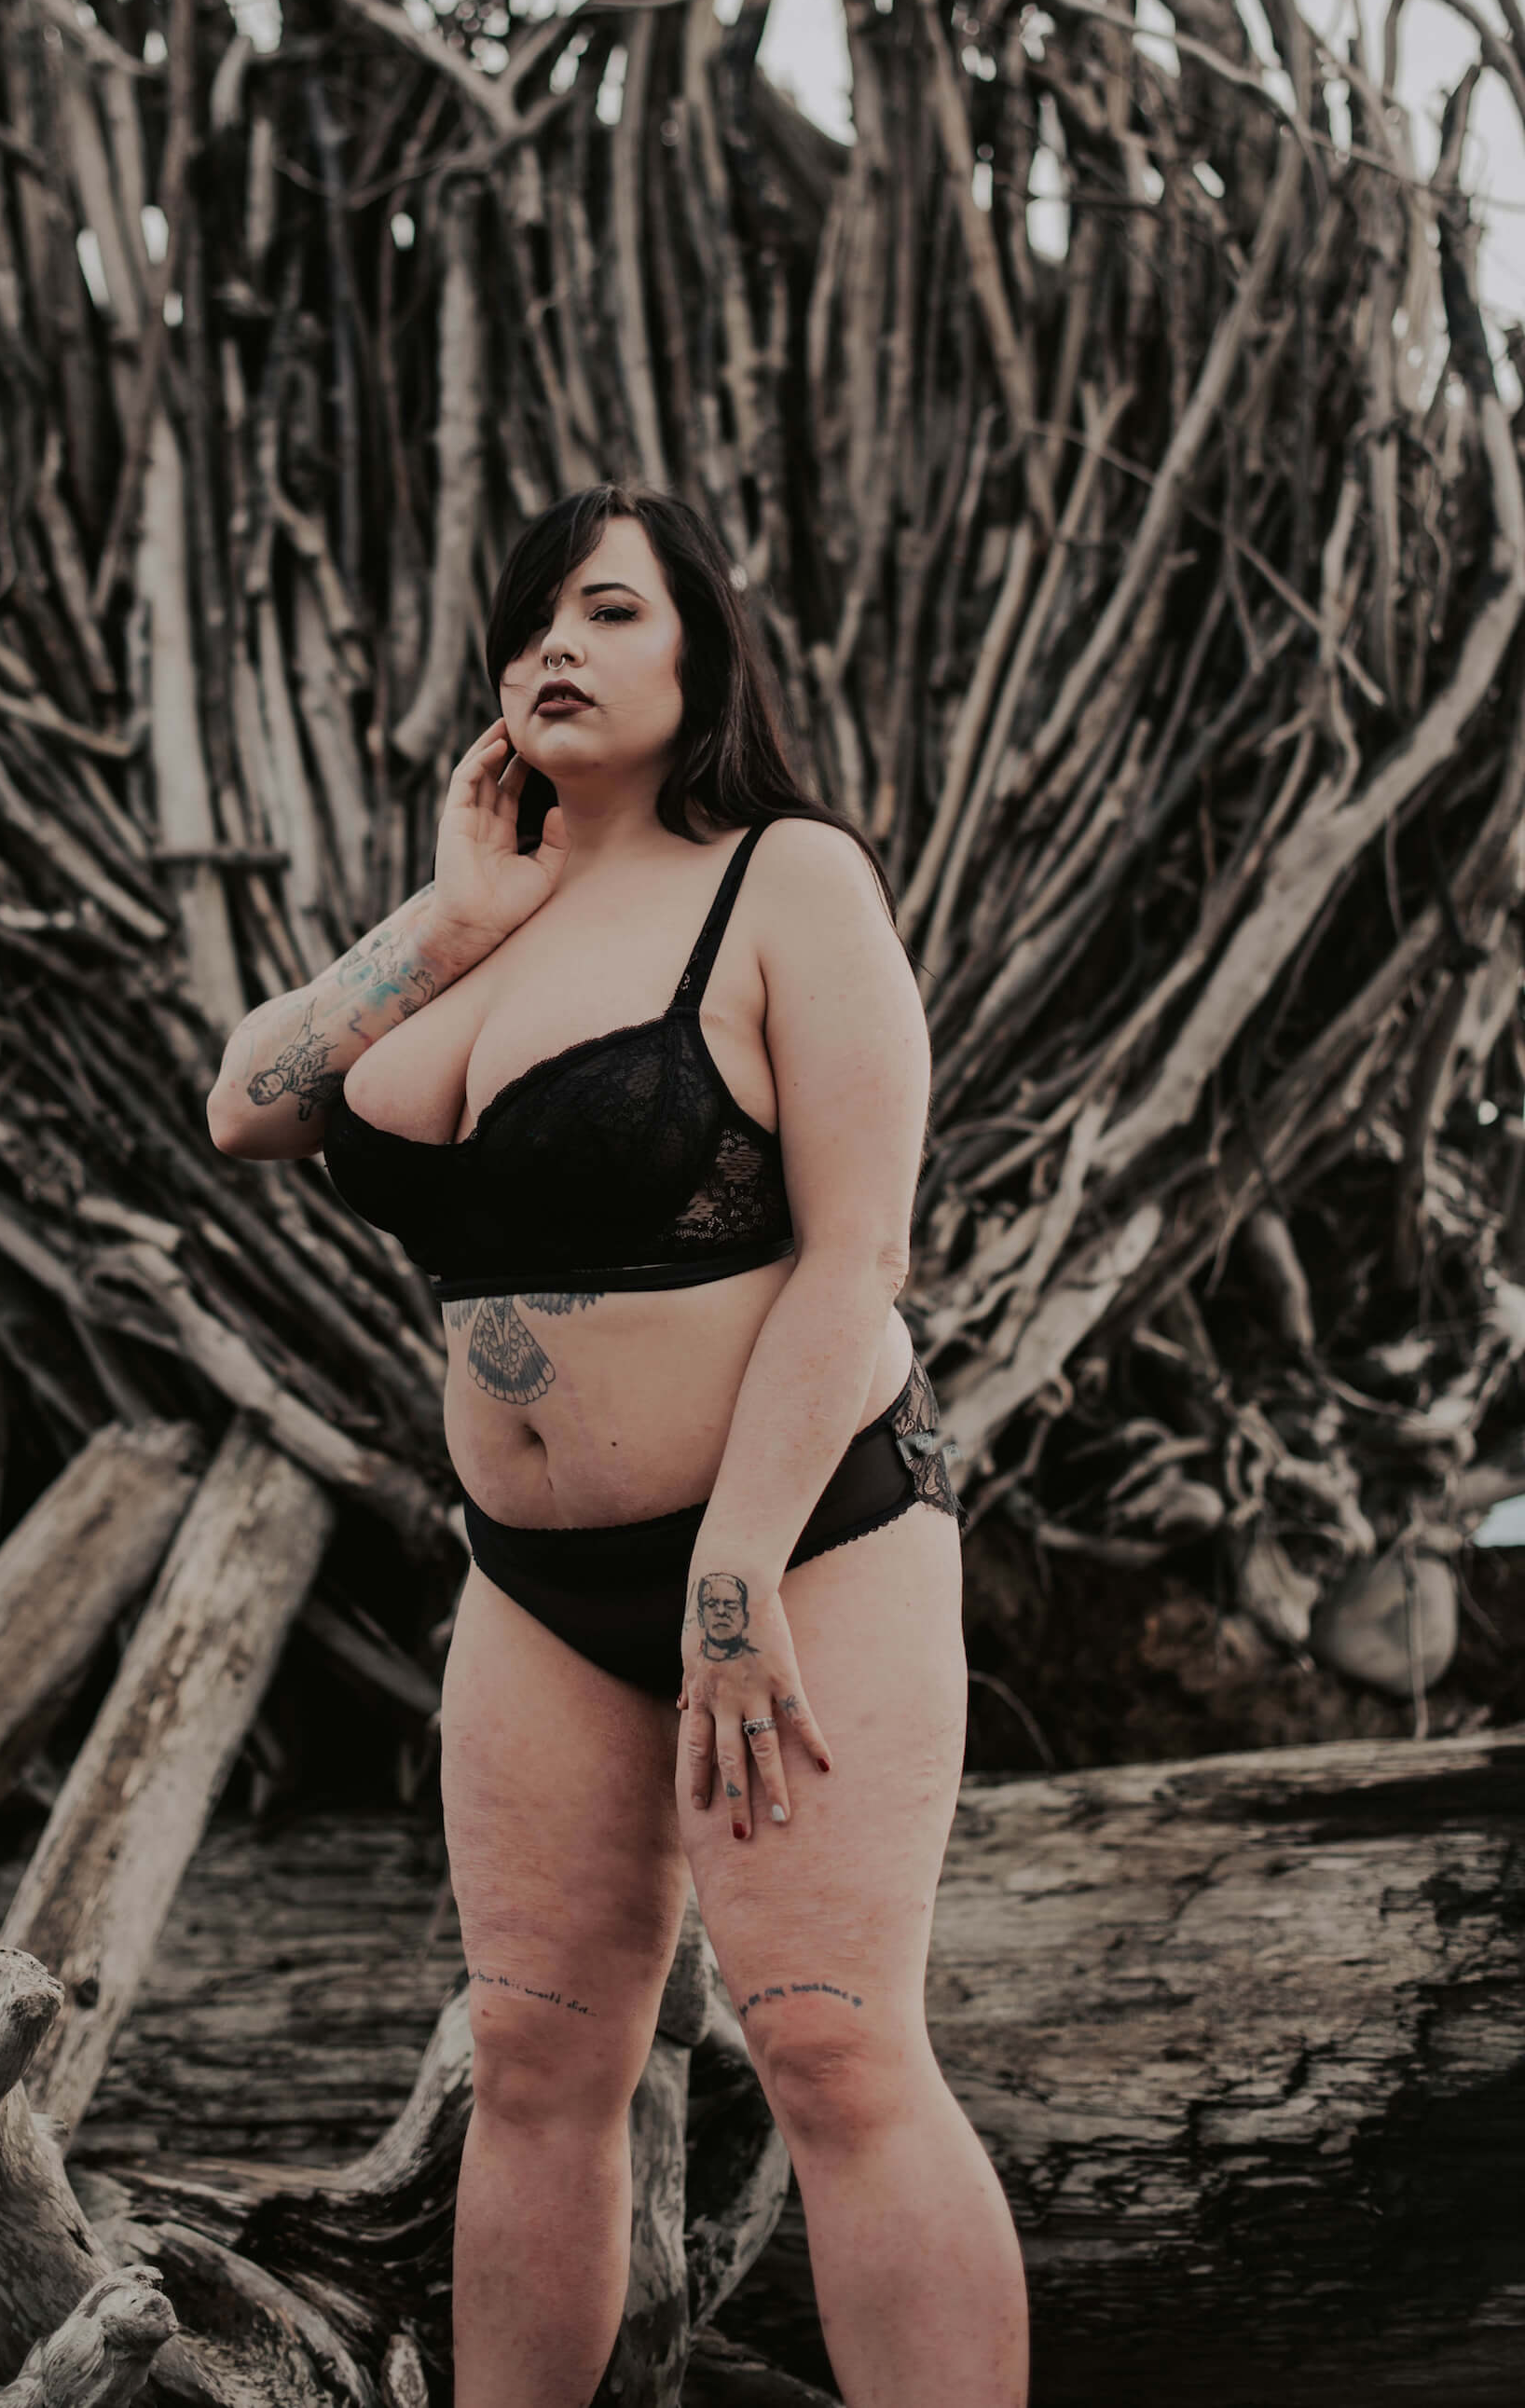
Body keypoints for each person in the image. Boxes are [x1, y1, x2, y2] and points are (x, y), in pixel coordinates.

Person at [209, 485, 1028, 2407]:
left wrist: (737, 1569)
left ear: (698, 655)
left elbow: (860, 1256)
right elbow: (248, 1102)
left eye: (603, 611)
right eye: (527, 626)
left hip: (798, 1538)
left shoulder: (786, 881)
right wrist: (455, 913)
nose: (551, 650)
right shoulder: (479, 919)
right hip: (538, 1588)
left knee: (832, 2050)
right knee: (539, 2067)